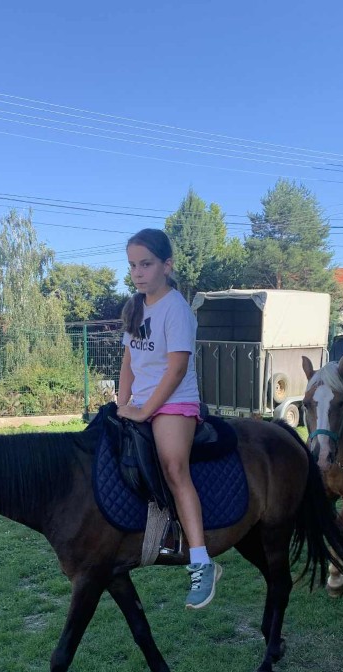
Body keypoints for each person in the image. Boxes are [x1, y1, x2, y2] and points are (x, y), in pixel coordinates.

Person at [117, 229, 220, 609]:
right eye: (133, 265)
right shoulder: (135, 307)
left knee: (174, 467)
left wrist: (144, 411)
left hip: (175, 402)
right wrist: (121, 404)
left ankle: (201, 561)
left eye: (146, 264)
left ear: (167, 265)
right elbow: (129, 361)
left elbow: (176, 370)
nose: (138, 272)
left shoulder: (176, 308)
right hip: (141, 401)